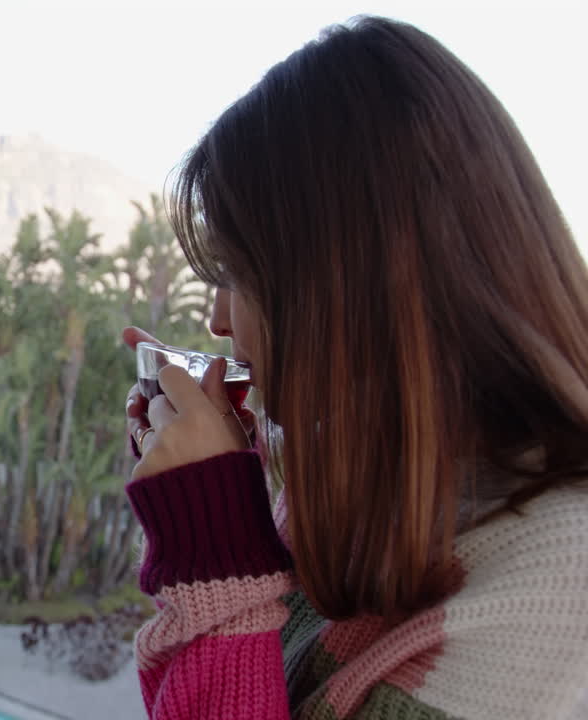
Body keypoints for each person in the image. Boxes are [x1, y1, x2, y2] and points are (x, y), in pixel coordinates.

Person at [121, 16, 588, 720]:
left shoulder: (557, 594)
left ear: (347, 284)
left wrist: (215, 560)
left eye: (236, 275)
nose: (218, 321)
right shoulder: (356, 486)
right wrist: (219, 511)